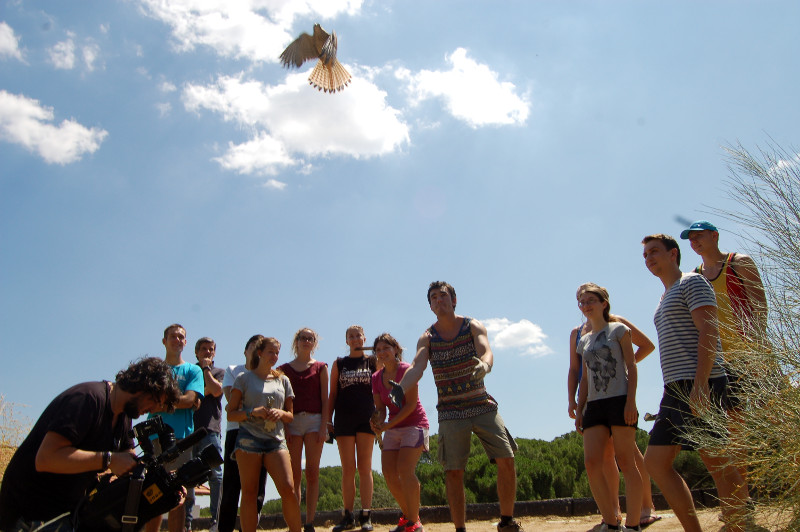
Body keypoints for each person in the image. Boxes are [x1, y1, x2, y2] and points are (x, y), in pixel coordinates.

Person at [390, 281, 523, 532]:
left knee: (506, 458)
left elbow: (486, 350)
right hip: (450, 412)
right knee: (453, 471)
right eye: (433, 298)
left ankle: (507, 521)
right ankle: (460, 528)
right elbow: (417, 366)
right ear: (430, 306)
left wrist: (485, 364)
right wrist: (401, 387)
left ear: (454, 300)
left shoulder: (472, 325)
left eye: (443, 296)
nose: (438, 301)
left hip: (482, 404)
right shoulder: (427, 337)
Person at [641, 234, 748, 532]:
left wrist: (701, 385)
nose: (649, 258)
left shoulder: (692, 282)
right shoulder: (664, 297)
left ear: (673, 254)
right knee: (655, 463)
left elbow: (709, 331)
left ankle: (739, 526)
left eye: (654, 252)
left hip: (701, 383)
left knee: (717, 462)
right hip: (674, 387)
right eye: (645, 255)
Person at [0, 357, 180, 532]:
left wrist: (165, 487)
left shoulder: (123, 418)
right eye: (156, 402)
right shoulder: (88, 399)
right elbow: (46, 458)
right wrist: (108, 460)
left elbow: (128, 463)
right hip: (30, 513)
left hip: (67, 512)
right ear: (144, 387)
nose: (154, 410)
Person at [681, 220, 768, 490]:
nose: (695, 242)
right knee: (733, 429)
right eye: (691, 238)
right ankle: (741, 497)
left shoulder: (738, 262)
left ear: (715, 235)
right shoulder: (693, 276)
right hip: (717, 361)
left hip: (749, 355)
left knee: (776, 418)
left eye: (700, 236)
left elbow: (760, 306)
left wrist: (756, 351)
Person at [568, 285, 660, 528]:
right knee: (591, 462)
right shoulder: (583, 340)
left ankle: (633, 523)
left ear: (604, 303)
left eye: (591, 301)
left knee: (627, 461)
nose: (585, 305)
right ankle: (610, 521)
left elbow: (631, 365)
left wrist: (631, 401)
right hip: (594, 405)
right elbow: (584, 377)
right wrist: (579, 407)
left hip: (619, 400)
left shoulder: (619, 329)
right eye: (582, 302)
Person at [226, 337, 301, 532]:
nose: (275, 356)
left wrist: (281, 413)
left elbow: (290, 415)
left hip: (276, 440)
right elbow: (231, 413)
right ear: (260, 353)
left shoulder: (283, 380)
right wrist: (252, 412)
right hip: (248, 440)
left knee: (288, 489)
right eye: (271, 352)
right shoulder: (243, 379)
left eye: (277, 352)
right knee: (249, 493)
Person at [145, 324, 206, 532]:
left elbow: (191, 400)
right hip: (154, 437)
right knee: (153, 493)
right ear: (164, 341)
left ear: (186, 342)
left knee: (178, 494)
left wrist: (164, 402)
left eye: (181, 337)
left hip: (182, 439)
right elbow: (148, 401)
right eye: (173, 336)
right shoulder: (154, 370)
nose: (177, 340)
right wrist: (179, 401)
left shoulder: (193, 370)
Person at [370, 333, 429, 532]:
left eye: (386, 348)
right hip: (392, 428)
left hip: (415, 424)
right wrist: (377, 420)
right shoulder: (376, 378)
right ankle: (410, 517)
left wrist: (387, 425)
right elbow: (381, 408)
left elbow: (411, 405)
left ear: (395, 349)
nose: (382, 352)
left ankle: (413, 522)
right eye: (378, 350)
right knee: (388, 473)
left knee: (405, 470)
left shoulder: (406, 370)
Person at [326, 325, 376, 532]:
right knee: (348, 469)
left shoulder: (373, 361)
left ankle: (366, 515)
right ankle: (348, 515)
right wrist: (328, 420)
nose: (355, 339)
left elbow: (381, 389)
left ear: (364, 338)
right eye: (351, 336)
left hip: (367, 418)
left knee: (365, 468)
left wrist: (381, 416)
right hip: (344, 419)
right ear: (346, 341)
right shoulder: (339, 363)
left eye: (358, 336)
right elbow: (332, 394)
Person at [279, 328, 329, 532]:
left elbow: (326, 400)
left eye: (310, 338)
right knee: (294, 475)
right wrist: (285, 427)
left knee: (313, 472)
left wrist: (325, 427)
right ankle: (295, 522)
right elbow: (282, 402)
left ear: (314, 342)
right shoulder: (283, 369)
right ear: (296, 341)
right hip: (292, 421)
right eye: (303, 338)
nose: (306, 341)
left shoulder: (321, 367)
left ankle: (309, 521)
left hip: (315, 420)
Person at [218, 335, 269, 532]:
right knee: (231, 485)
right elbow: (233, 401)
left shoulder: (270, 374)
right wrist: (256, 407)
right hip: (236, 432)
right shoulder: (233, 370)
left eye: (261, 347)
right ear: (245, 351)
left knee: (258, 488)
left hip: (262, 435)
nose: (257, 351)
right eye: (254, 347)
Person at [184, 337, 225, 532]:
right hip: (188, 431)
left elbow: (216, 390)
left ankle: (215, 521)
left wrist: (207, 370)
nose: (207, 352)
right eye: (203, 349)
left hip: (210, 429)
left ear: (214, 353)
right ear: (196, 352)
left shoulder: (219, 372)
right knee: (187, 476)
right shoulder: (189, 372)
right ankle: (186, 522)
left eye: (210, 350)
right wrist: (203, 390)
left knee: (216, 476)